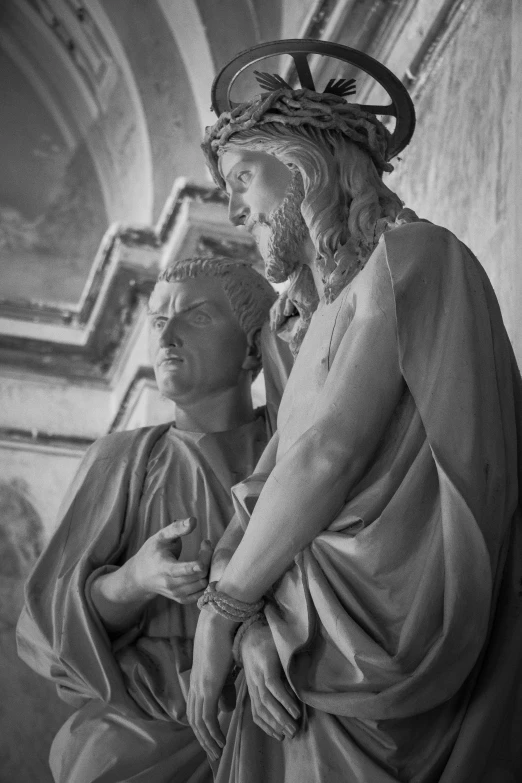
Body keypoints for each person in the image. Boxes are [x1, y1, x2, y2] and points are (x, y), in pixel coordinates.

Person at [187, 49, 522, 783]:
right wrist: (249, 623)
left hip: (391, 646)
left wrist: (223, 610)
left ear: (303, 164)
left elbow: (327, 456)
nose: (236, 209)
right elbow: (264, 500)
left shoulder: (414, 259)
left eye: (244, 177)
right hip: (306, 652)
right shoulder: (307, 331)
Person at [16, 256, 282, 783]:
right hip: (142, 717)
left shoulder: (289, 447)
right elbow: (45, 628)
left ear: (254, 347)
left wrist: (262, 632)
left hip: (272, 689)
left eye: (197, 317)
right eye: (159, 320)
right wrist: (135, 580)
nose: (168, 336)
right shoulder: (122, 458)